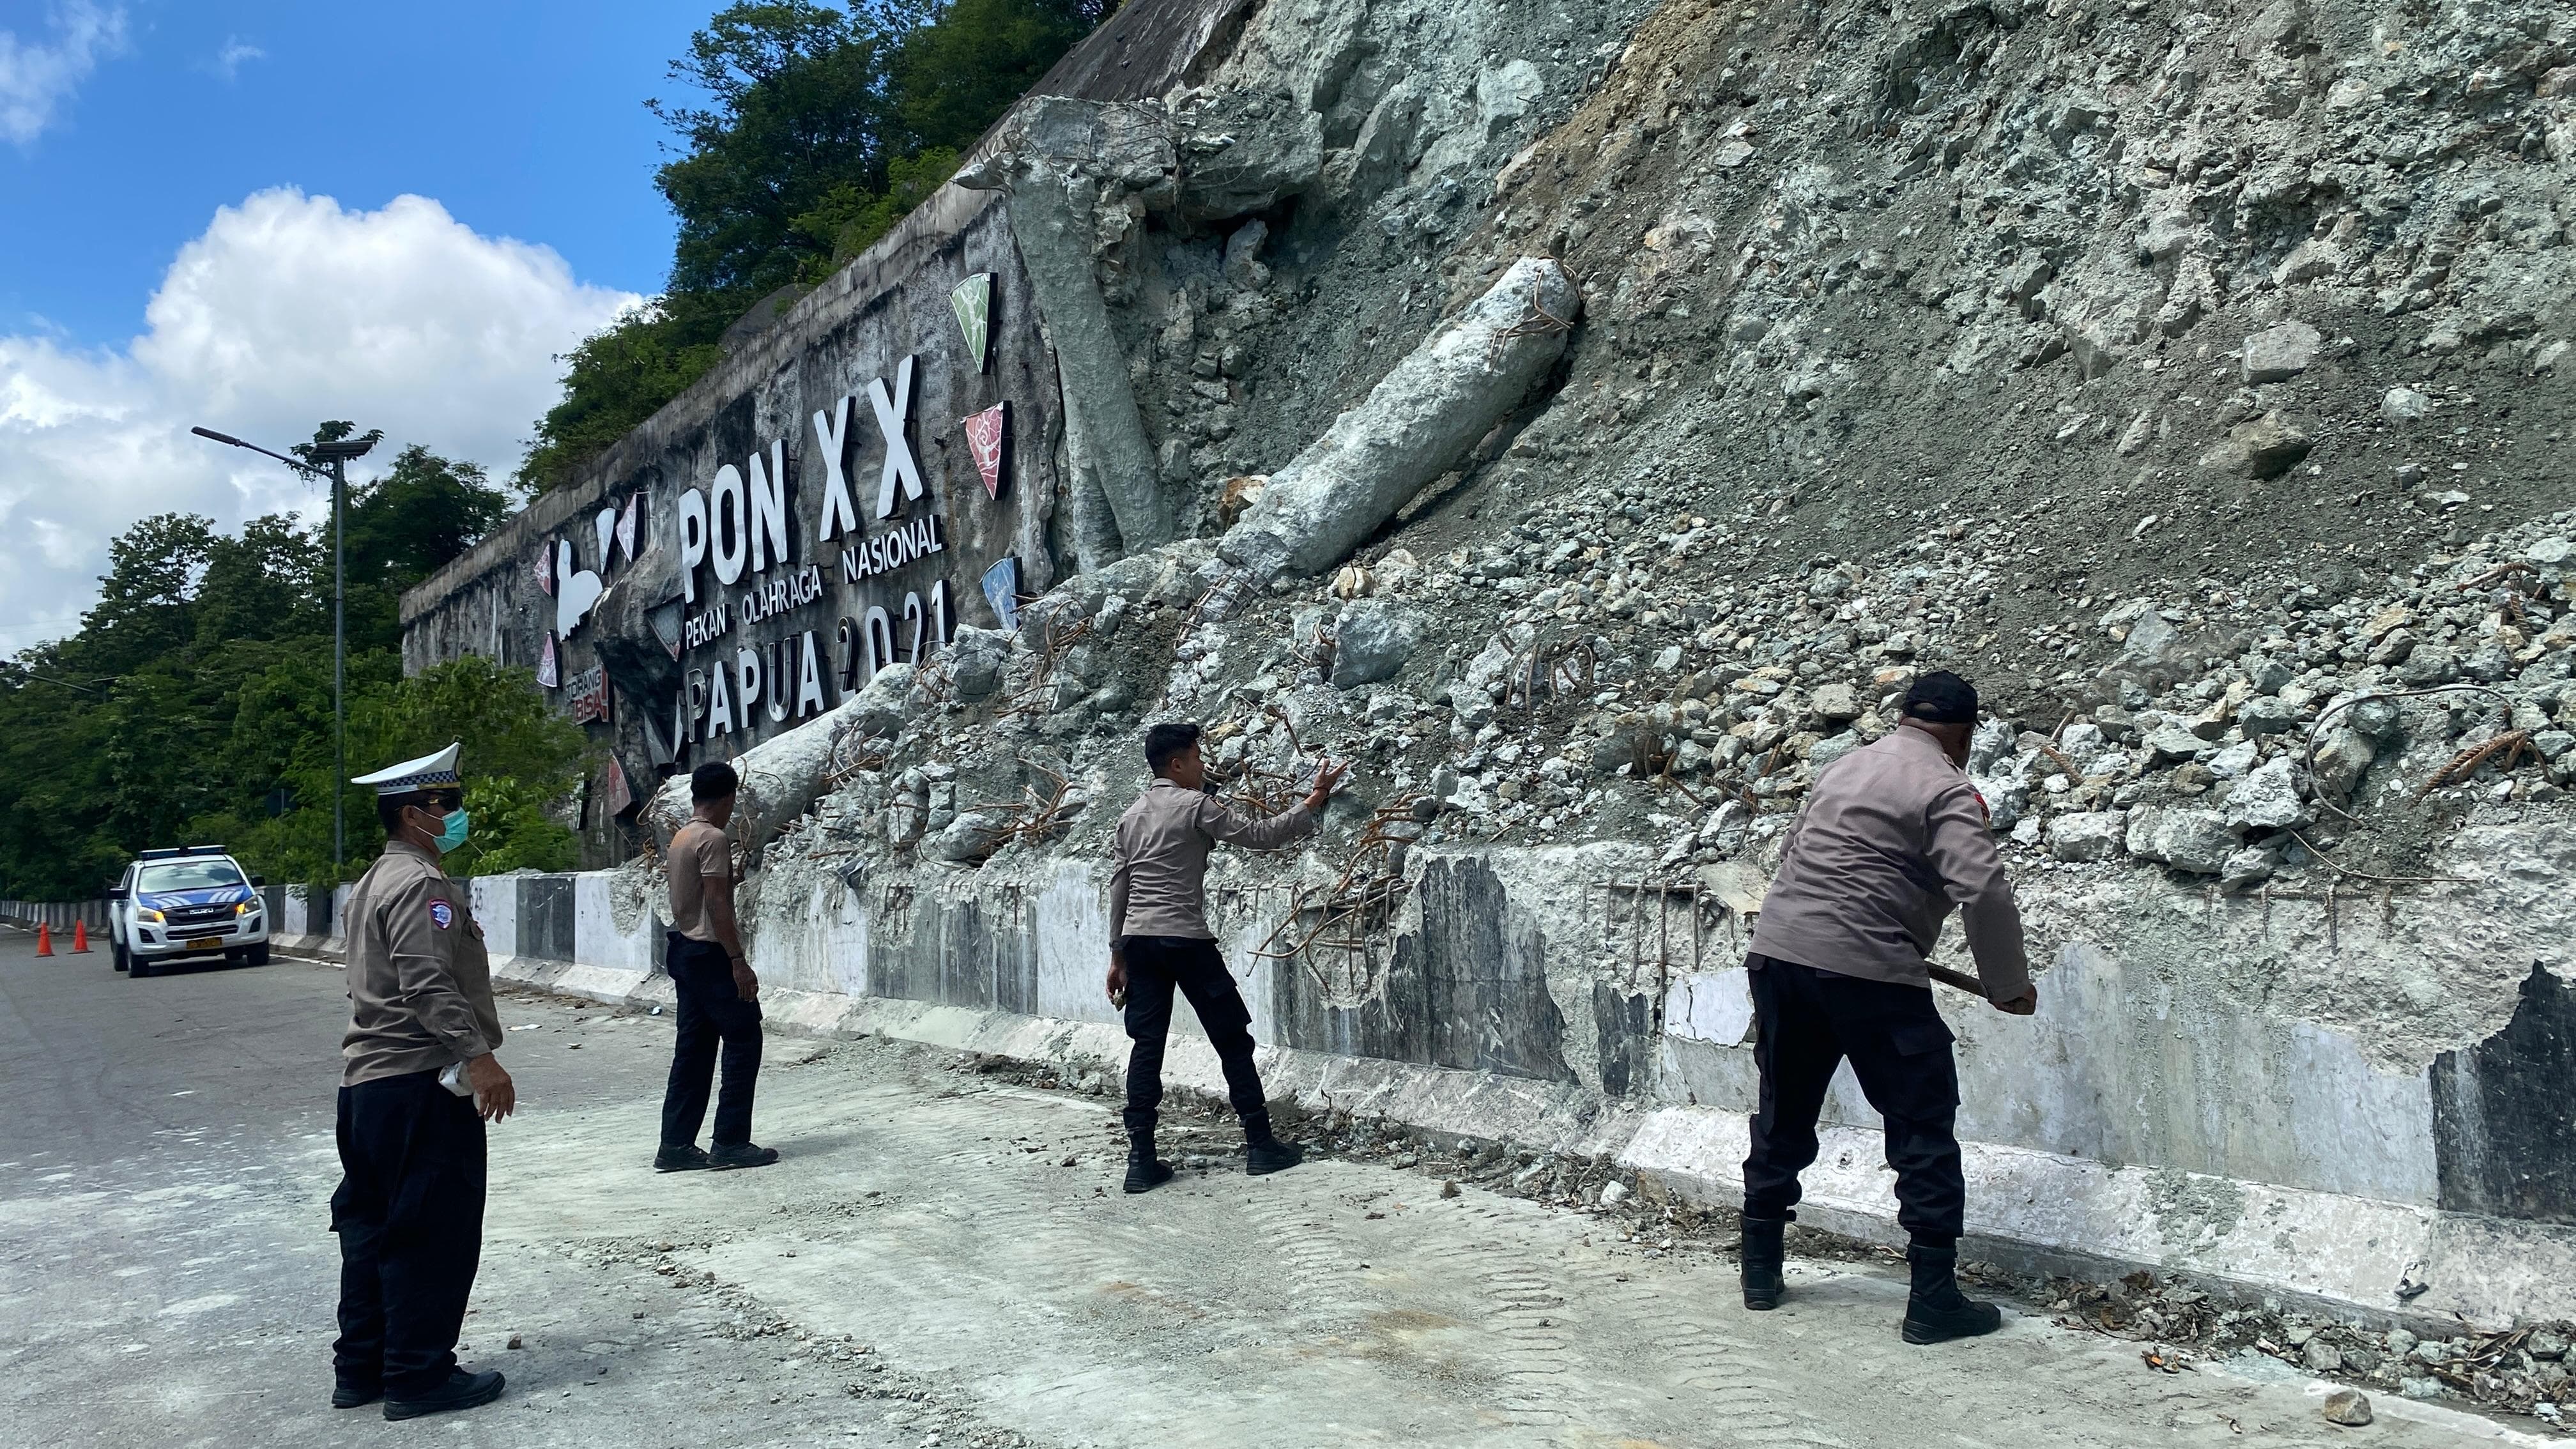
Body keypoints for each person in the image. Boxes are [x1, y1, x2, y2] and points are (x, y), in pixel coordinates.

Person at [1736, 671, 2039, 1344]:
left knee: (1784, 1105)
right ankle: (1933, 1302)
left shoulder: (1846, 766)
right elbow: (1983, 891)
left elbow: (1791, 852)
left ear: (1903, 718)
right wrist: (2006, 984)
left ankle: (1759, 1271)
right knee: (1921, 1123)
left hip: (1780, 956)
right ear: (1964, 735)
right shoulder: (1947, 788)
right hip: (1871, 970)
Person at [332, 742, 512, 1420]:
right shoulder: (421, 884)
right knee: (432, 1231)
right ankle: (418, 1375)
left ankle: (363, 1368)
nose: (457, 816)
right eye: (449, 804)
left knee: (373, 1230)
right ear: (415, 814)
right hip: (418, 1084)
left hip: (368, 1088)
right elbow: (427, 982)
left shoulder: (372, 882)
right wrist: (480, 1059)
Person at [1107, 721, 1346, 1193]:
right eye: (1198, 758)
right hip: (1186, 940)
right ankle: (1260, 1144)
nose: (1203, 765)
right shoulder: (1196, 805)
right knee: (1232, 1040)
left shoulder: (1130, 817)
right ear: (1177, 764)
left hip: (1139, 942)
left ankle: (1141, 1161)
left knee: (1146, 1047)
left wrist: (1117, 956)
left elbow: (1120, 886)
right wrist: (1313, 800)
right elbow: (1260, 835)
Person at [656, 761, 778, 1172]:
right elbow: (716, 903)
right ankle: (730, 1141)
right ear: (729, 797)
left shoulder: (681, 837)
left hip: (684, 951)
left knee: (693, 1050)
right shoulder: (713, 838)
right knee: (744, 1039)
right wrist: (738, 961)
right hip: (711, 955)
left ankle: (675, 1145)